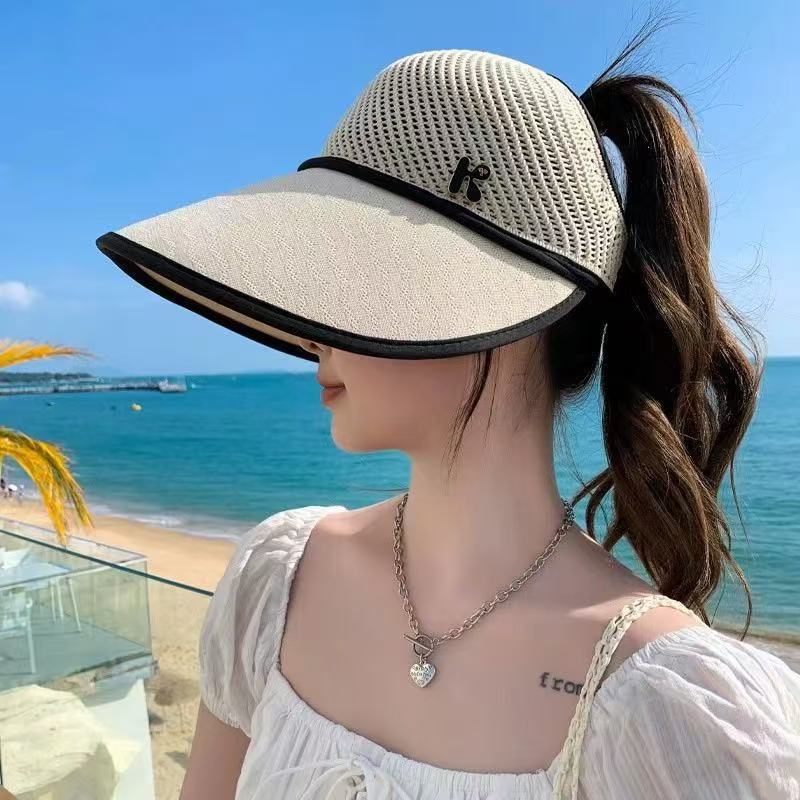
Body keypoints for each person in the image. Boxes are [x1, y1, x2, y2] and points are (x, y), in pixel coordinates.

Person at [97, 16, 800, 800]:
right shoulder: (272, 585)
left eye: (345, 277)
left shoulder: (668, 710)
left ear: (498, 312)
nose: (309, 330)